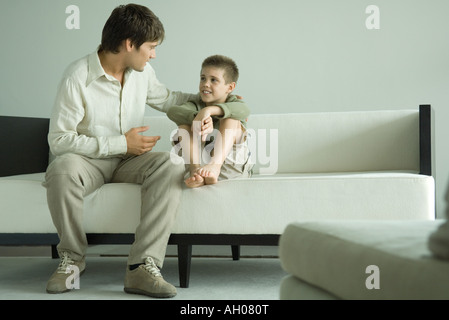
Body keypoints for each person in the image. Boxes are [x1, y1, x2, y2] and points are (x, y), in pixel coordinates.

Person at [43, 4, 196, 298]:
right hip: (87, 163)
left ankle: (141, 267)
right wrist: (121, 143)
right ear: (129, 44)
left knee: (171, 163)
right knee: (61, 170)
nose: (153, 54)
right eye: (150, 47)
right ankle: (72, 261)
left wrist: (214, 100)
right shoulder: (77, 76)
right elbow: (59, 140)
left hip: (130, 161)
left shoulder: (142, 72)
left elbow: (169, 99)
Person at [167, 55, 253, 188]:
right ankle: (194, 169)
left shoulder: (234, 103)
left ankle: (215, 165)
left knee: (231, 119)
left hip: (230, 167)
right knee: (183, 125)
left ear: (230, 88)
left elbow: (244, 110)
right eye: (203, 78)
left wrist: (209, 111)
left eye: (214, 80)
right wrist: (198, 116)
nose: (206, 84)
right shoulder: (195, 104)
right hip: (200, 166)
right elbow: (172, 112)